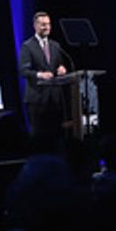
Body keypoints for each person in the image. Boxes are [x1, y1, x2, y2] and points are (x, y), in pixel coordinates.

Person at [19, 11, 69, 141]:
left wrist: (62, 69)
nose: (47, 27)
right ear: (35, 26)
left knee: (57, 135)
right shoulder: (27, 46)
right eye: (43, 25)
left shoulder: (55, 45)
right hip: (37, 99)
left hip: (55, 98)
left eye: (48, 24)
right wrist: (40, 74)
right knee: (38, 137)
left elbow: (59, 65)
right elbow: (23, 71)